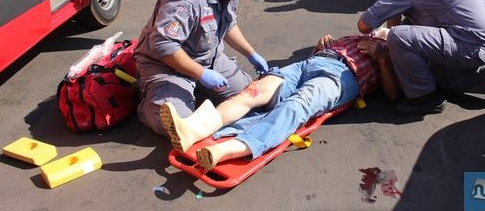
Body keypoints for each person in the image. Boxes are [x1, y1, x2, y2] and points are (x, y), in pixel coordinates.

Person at [159, 31, 401, 168]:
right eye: (382, 28)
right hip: (313, 62)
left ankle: (226, 150)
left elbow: (393, 94)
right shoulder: (360, 34)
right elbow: (322, 51)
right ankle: (192, 129)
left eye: (387, 32)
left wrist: (382, 60)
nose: (381, 31)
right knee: (255, 91)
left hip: (345, 76)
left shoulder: (394, 55)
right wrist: (321, 45)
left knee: (298, 104)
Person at [134, 0, 270, 137]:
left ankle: (194, 91)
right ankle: (149, 105)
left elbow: (228, 25)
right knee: (180, 127)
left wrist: (251, 54)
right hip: (167, 66)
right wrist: (201, 74)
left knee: (251, 97)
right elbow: (163, 45)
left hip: (208, 58)